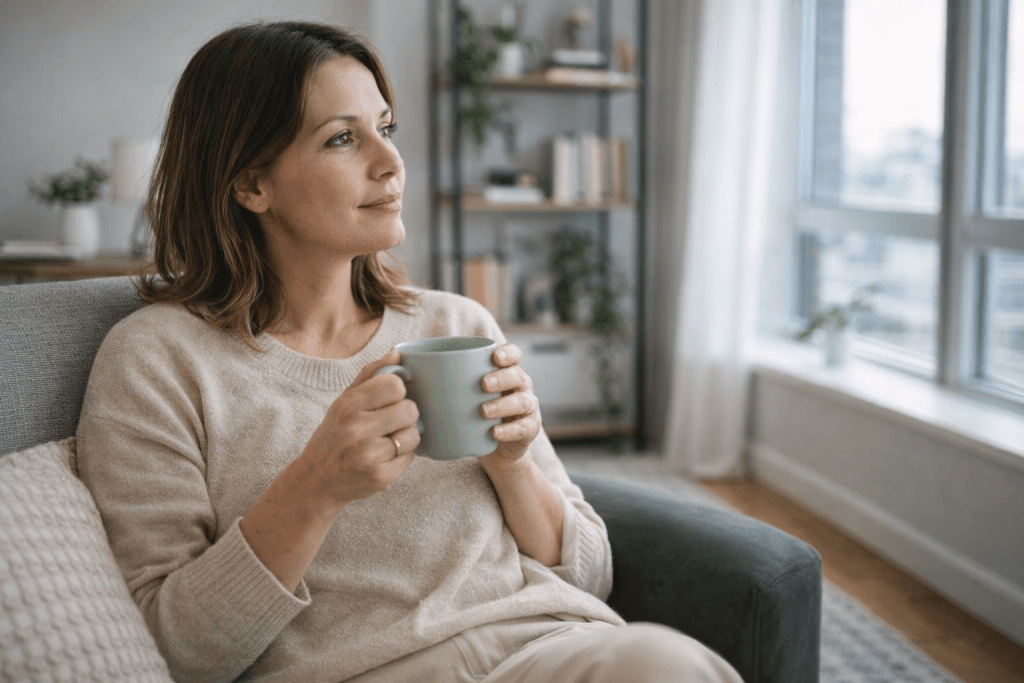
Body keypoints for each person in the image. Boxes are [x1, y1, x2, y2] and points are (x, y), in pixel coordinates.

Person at [76, 21, 743, 683]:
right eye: (343, 137)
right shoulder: (156, 359)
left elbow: (590, 573)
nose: (390, 161)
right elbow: (174, 649)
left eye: (385, 128)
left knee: (663, 662)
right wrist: (314, 487)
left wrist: (512, 465)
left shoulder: (456, 322)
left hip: (542, 650)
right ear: (252, 184)